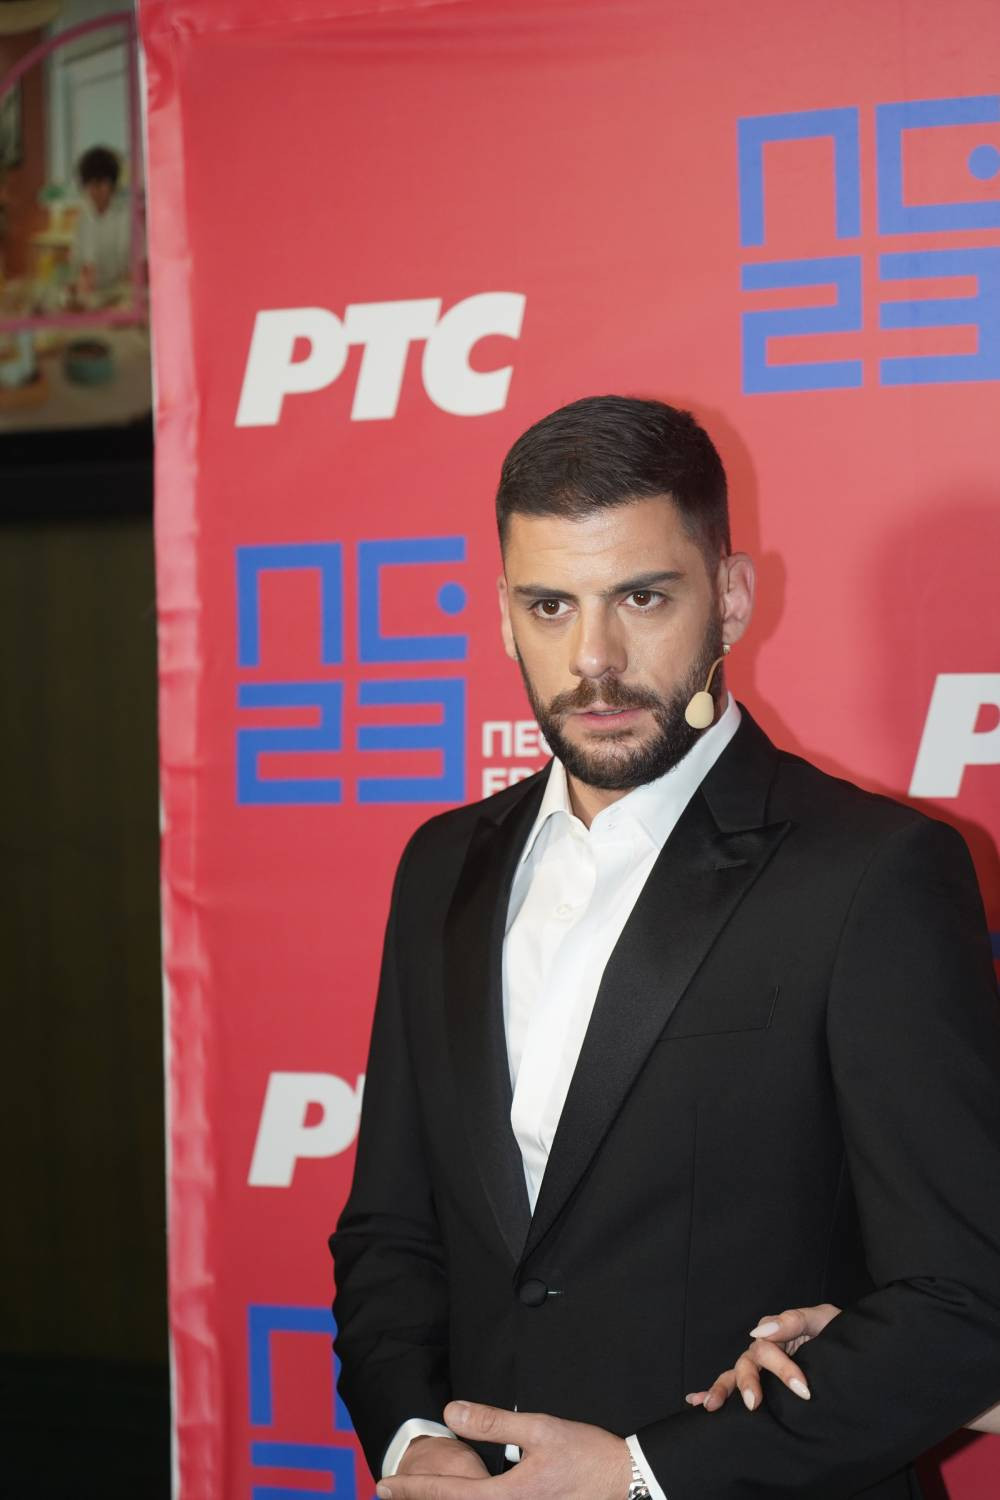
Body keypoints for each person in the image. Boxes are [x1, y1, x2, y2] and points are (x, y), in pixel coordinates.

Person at [330, 395, 1000, 1500]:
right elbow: (392, 1228)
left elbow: (967, 1298)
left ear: (729, 597)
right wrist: (413, 1438)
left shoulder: (873, 875)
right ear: (502, 615)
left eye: (642, 597)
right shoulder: (442, 864)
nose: (593, 659)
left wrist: (642, 1474)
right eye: (550, 606)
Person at [70, 145, 130, 295]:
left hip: (121, 293)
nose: (96, 190)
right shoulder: (84, 219)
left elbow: (131, 263)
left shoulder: (125, 216)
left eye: (101, 183)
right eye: (91, 184)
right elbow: (80, 262)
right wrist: (83, 276)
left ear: (112, 184)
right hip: (93, 296)